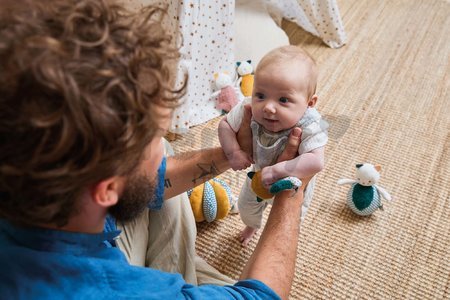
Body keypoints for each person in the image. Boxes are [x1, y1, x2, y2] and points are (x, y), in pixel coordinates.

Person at [0, 1, 312, 299]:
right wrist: (291, 185)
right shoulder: (110, 291)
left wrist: (233, 153)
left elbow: (146, 178)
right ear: (107, 189)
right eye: (155, 136)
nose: (161, 145)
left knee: (147, 180)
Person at [218, 45, 328, 246]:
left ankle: (277, 243)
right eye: (261, 95)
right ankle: (252, 225)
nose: (268, 107)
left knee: (288, 222)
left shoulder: (310, 124)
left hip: (291, 187)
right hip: (258, 175)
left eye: (283, 100)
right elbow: (224, 124)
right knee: (245, 207)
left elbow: (316, 161)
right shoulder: (248, 107)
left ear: (309, 103)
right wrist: (233, 151)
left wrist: (280, 170)